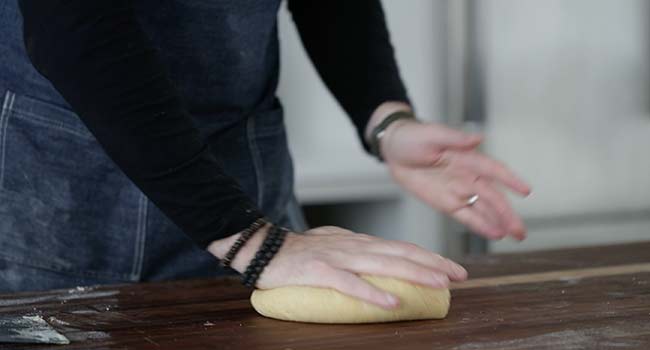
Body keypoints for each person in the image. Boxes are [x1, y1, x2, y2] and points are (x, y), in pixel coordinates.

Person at [0, 1, 530, 308]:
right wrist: (255, 245)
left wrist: (384, 118)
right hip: (62, 189)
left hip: (244, 170)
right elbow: (76, 29)